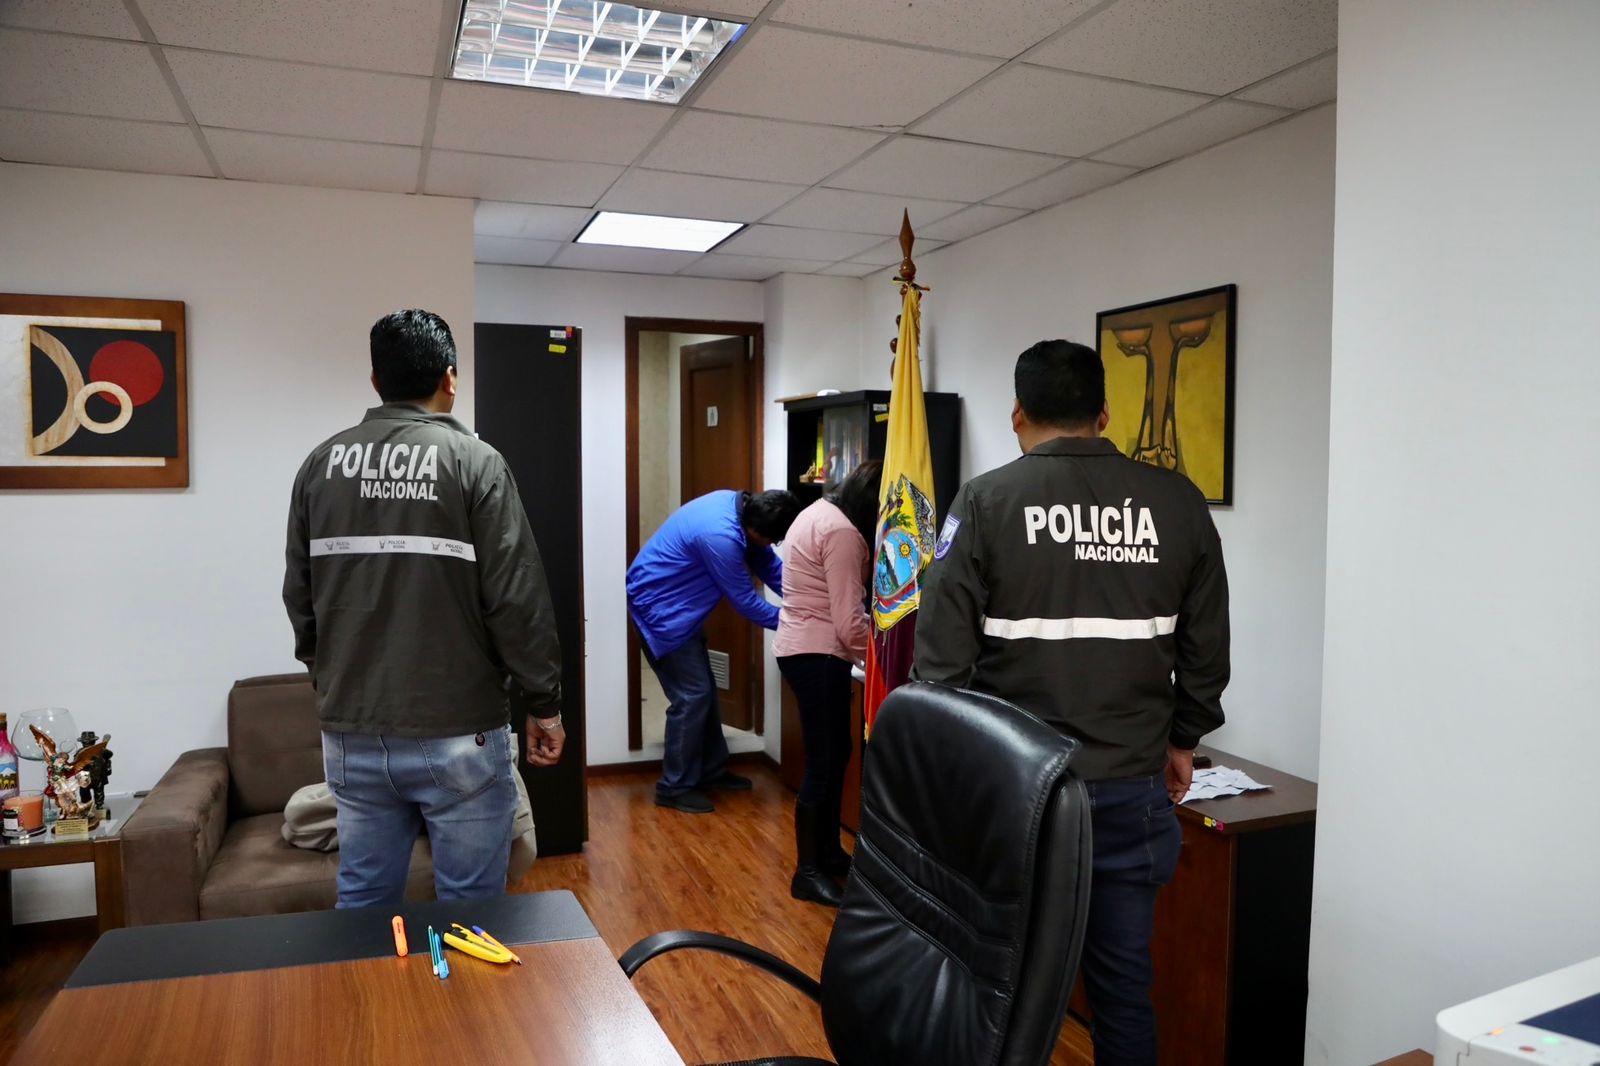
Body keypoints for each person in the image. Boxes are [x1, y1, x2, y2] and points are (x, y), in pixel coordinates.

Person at [912, 339, 1230, 1066]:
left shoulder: (984, 502)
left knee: (1002, 985)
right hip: (1131, 791)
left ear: (1018, 415)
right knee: (1122, 991)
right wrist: (1182, 740)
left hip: (1017, 795)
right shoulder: (1177, 502)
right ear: (1105, 414)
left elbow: (941, 665)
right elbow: (1207, 650)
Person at [283, 309, 566, 908]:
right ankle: (456, 1005)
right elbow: (516, 597)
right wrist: (544, 703)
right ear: (449, 378)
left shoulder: (320, 466)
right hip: (459, 728)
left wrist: (332, 679)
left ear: (375, 380)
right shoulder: (474, 462)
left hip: (352, 729)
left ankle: (369, 1004)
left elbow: (300, 597)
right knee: (469, 910)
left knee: (364, 903)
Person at [629, 488, 801, 814]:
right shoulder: (720, 535)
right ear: (755, 531)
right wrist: (801, 623)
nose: (772, 547)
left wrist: (806, 599)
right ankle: (673, 787)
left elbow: (769, 566)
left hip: (681, 607)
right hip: (661, 610)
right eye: (774, 540)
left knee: (703, 693)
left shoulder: (740, 508)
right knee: (692, 697)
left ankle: (710, 770)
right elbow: (747, 603)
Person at [773, 459, 881, 907]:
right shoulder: (842, 533)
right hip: (819, 655)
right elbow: (847, 619)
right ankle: (808, 871)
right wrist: (880, 662)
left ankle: (829, 853)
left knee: (836, 752)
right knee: (824, 760)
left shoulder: (814, 513)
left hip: (801, 649)